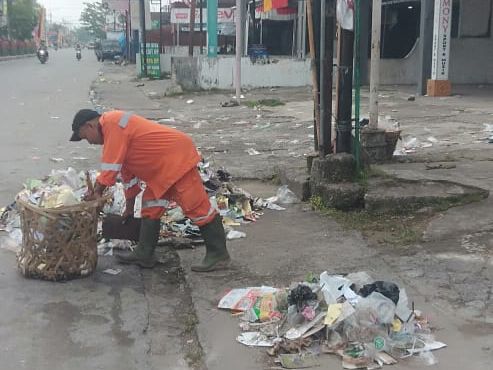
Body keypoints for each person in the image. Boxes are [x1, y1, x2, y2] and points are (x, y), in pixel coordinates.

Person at [69, 109, 230, 272]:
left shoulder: (111, 123)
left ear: (89, 126)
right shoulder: (116, 136)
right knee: (151, 207)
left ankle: (218, 255)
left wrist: (97, 191)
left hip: (176, 159)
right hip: (161, 170)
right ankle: (144, 253)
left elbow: (110, 166)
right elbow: (128, 179)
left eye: (85, 137)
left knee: (197, 207)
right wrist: (129, 209)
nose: (89, 142)